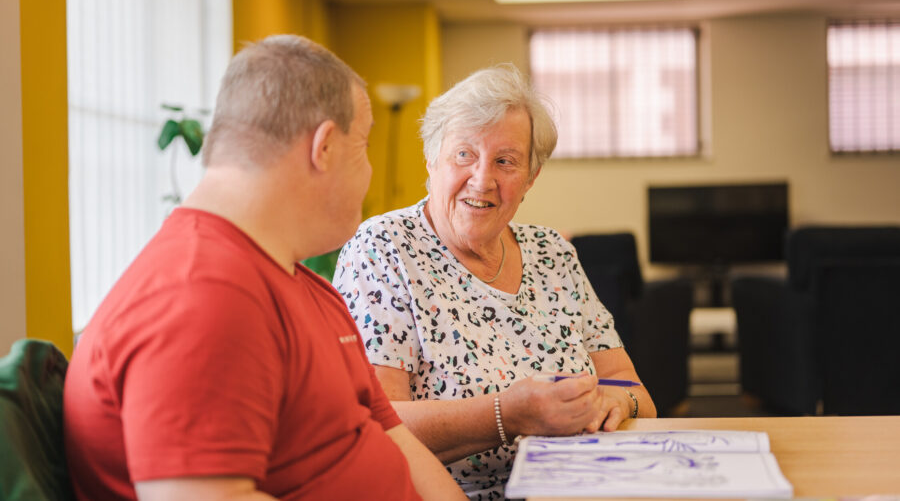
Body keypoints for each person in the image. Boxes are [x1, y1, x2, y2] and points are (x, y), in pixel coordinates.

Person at [63, 35, 466, 501]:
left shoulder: (304, 287)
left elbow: (394, 439)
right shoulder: (201, 297)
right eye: (364, 145)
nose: (369, 170)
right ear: (326, 147)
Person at [332, 64, 657, 499]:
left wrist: (617, 403)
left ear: (529, 179)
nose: (482, 179)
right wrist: (509, 415)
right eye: (463, 154)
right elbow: (376, 425)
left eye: (505, 161)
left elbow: (635, 391)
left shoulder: (553, 254)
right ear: (430, 160)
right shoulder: (383, 248)